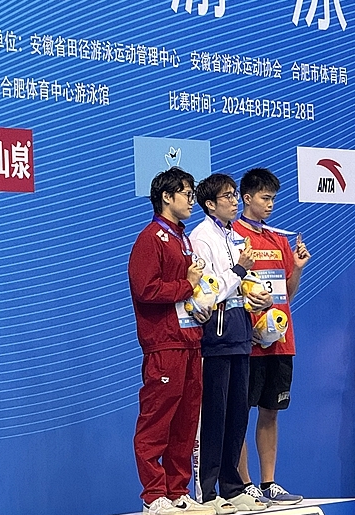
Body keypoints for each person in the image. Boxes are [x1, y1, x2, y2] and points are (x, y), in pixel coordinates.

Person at [128, 167, 215, 515]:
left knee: (185, 421)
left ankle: (178, 490)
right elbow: (146, 289)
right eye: (187, 194)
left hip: (191, 339)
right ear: (167, 197)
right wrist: (187, 286)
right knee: (157, 421)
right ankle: (153, 495)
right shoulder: (151, 238)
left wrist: (201, 302)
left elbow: (189, 290)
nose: (192, 201)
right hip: (164, 343)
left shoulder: (183, 239)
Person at [188, 174, 272, 514]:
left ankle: (233, 486)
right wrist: (239, 270)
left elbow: (244, 280)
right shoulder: (200, 238)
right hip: (215, 334)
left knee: (238, 414)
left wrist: (260, 294)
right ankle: (208, 491)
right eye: (227, 196)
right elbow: (208, 292)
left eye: (236, 194)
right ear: (210, 204)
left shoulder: (234, 234)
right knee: (215, 414)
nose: (235, 200)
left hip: (240, 331)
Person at [232, 168, 310, 506]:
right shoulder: (232, 236)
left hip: (280, 339)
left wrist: (298, 268)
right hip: (246, 340)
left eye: (273, 199)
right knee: (240, 412)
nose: (270, 205)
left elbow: (287, 294)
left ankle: (269, 483)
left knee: (270, 411)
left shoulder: (279, 239)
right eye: (265, 198)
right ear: (246, 198)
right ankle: (243, 483)